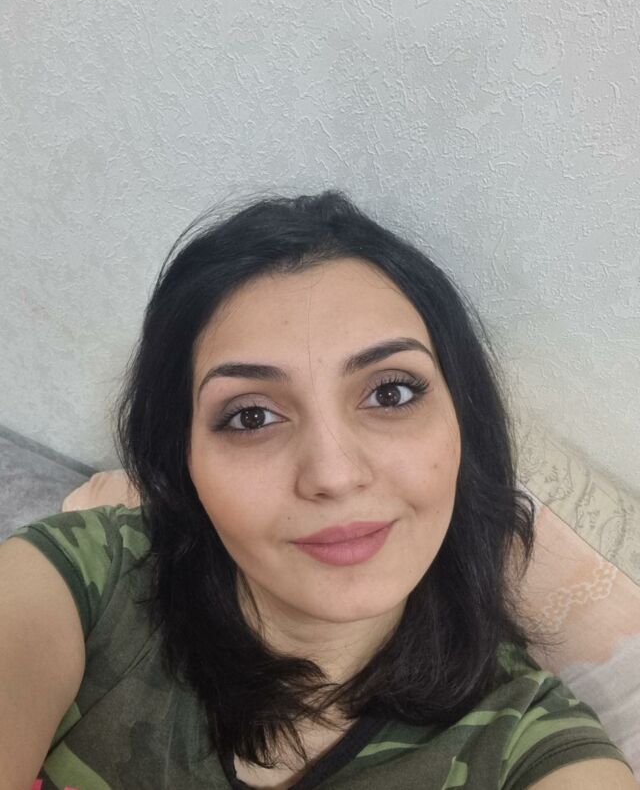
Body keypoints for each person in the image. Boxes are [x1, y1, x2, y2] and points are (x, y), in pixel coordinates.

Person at [0, 191, 635, 790]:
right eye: (251, 416)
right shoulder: (83, 581)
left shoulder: (530, 747)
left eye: (391, 393)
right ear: (182, 458)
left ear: (464, 425)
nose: (333, 474)